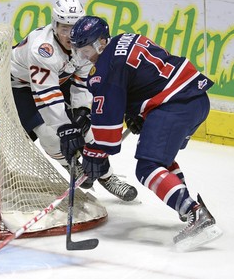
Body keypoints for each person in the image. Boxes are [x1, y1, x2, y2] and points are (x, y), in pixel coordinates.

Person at [60, 15, 223, 251]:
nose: (83, 56)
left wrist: (94, 153)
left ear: (101, 43)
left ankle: (195, 213)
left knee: (148, 166)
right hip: (194, 100)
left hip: (173, 106)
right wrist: (136, 111)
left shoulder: (106, 68)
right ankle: (183, 204)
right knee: (161, 159)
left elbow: (108, 133)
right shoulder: (126, 39)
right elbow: (143, 77)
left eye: (85, 50)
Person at [11, 0, 137, 201]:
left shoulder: (84, 40)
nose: (69, 35)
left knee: (87, 129)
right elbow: (46, 94)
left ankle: (107, 176)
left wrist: (81, 110)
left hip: (60, 79)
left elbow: (81, 80)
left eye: (74, 27)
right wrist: (64, 128)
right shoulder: (43, 49)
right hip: (21, 87)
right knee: (51, 135)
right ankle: (72, 166)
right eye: (64, 28)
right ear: (54, 25)